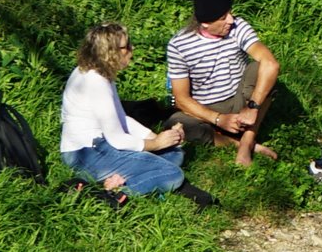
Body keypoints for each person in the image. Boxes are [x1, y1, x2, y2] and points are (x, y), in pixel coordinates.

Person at [60, 23, 211, 205]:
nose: (132, 49)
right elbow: (118, 139)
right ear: (109, 52)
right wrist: (155, 144)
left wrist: (156, 138)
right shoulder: (95, 83)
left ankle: (113, 179)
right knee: (172, 173)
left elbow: (121, 119)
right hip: (87, 153)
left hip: (101, 147)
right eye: (126, 46)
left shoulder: (102, 74)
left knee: (174, 152)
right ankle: (104, 195)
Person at [165, 0, 280, 167]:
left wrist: (253, 107)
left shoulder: (238, 27)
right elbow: (181, 99)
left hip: (240, 99)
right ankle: (234, 144)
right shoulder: (179, 45)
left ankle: (248, 140)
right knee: (175, 123)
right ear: (205, 23)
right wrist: (218, 119)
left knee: (263, 70)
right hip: (208, 108)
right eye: (222, 17)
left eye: (229, 13)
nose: (230, 20)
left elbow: (270, 63)